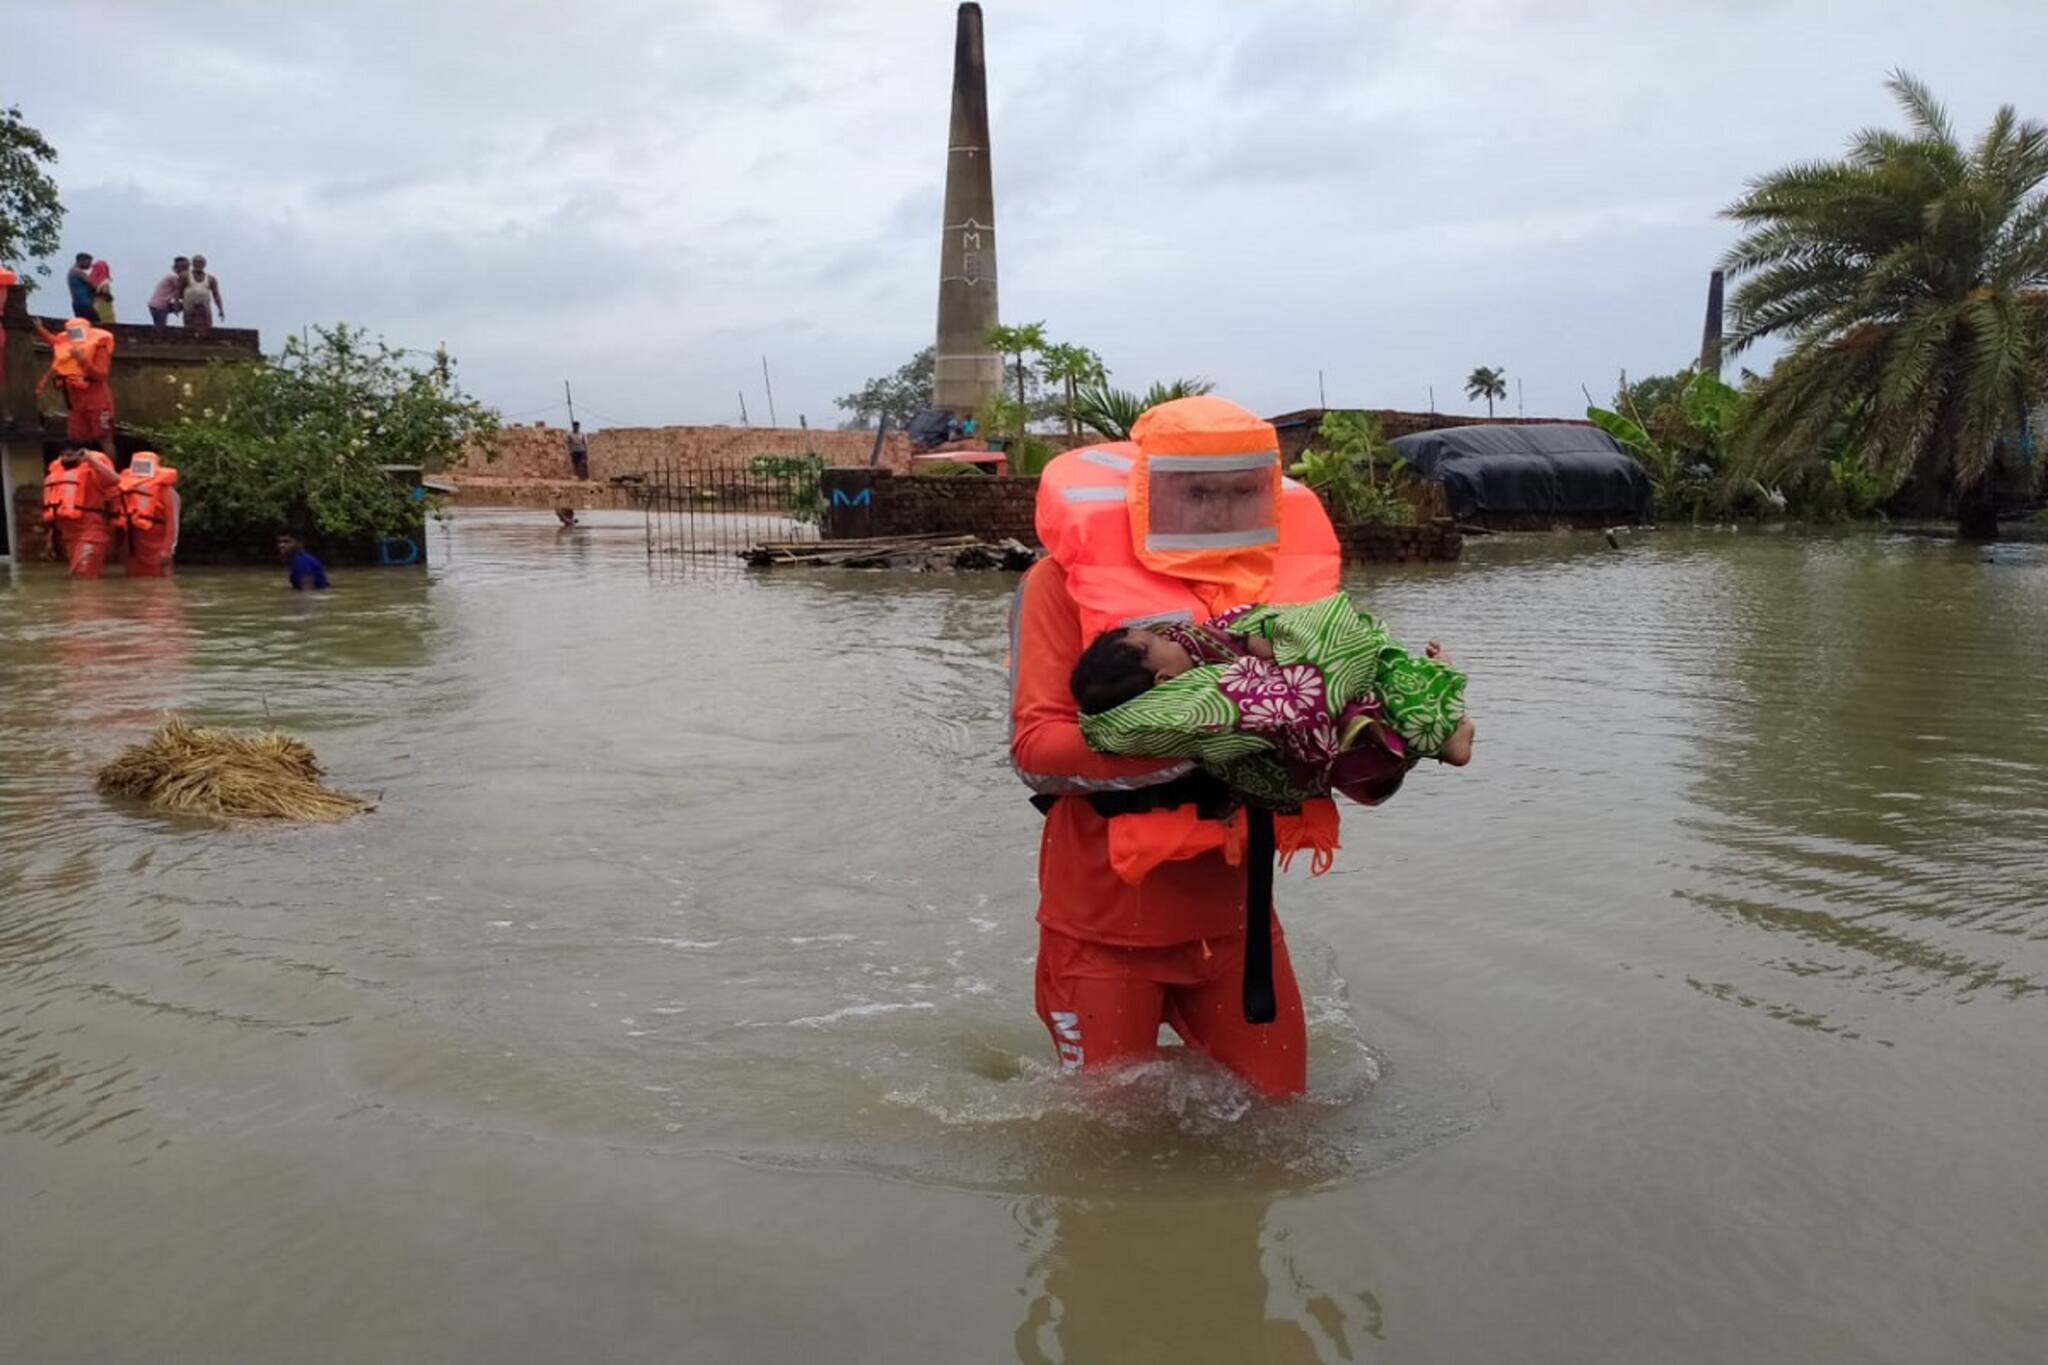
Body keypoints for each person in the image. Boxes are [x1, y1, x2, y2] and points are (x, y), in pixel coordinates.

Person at [1011, 395, 1385, 1098]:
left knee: (1284, 1119)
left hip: (1237, 921)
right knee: (1104, 1153)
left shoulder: (1287, 603)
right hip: (1102, 925)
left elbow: (1342, 747)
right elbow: (1036, 750)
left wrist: (1395, 740)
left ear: (1270, 492)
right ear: (1149, 491)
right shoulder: (1060, 585)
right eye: (1197, 490)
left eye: (1240, 490)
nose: (1218, 511)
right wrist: (1210, 731)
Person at [1071, 595, 1474, 816]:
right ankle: (1450, 730)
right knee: (1380, 674)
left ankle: (1439, 711)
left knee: (1368, 672)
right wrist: (1271, 641)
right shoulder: (1200, 699)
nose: (1171, 636)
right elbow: (1290, 703)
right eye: (1160, 643)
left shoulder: (1190, 660)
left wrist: (1255, 629)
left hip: (1308, 724)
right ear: (1163, 680)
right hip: (1323, 728)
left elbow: (1237, 633)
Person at [37, 316, 118, 458]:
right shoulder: (66, 344)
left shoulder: (99, 345)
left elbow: (101, 375)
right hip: (75, 401)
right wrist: (39, 328)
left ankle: (110, 472)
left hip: (97, 400)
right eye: (72, 332)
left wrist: (82, 360)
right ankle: (76, 473)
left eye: (78, 332)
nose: (75, 336)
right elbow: (54, 342)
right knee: (74, 440)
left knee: (104, 438)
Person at [41, 447, 122, 579]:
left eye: (72, 454)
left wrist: (91, 459)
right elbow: (53, 512)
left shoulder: (93, 472)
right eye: (64, 454)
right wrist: (50, 539)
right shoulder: (56, 475)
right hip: (68, 535)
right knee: (78, 578)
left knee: (83, 576)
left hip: (91, 532)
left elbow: (115, 479)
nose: (68, 457)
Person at [115, 451, 180, 577]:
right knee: (135, 578)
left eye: (144, 466)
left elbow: (173, 522)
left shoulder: (167, 491)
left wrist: (168, 549)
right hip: (134, 543)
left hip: (158, 543)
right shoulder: (127, 488)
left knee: (161, 580)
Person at [182, 255, 224, 333]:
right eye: (196, 262)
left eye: (201, 262)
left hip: (204, 306)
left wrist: (220, 309)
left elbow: (216, 294)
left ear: (204, 264)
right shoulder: (185, 276)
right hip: (189, 306)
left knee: (207, 325)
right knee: (188, 325)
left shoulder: (211, 279)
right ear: (192, 263)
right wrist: (177, 303)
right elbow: (178, 290)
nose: (198, 264)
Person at [148, 257, 190, 329]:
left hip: (162, 305)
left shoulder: (174, 277)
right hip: (159, 306)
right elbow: (180, 290)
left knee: (187, 305)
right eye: (183, 268)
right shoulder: (172, 277)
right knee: (160, 327)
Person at [66, 253, 96, 318]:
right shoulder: (78, 272)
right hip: (84, 303)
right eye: (89, 262)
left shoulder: (71, 271)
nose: (90, 265)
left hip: (77, 303)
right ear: (81, 261)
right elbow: (93, 285)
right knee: (96, 324)